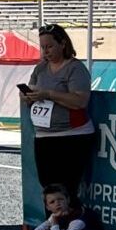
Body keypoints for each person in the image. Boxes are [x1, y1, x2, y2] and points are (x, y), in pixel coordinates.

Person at [20, 23, 95, 195]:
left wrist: (48, 94)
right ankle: (53, 221)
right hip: (44, 136)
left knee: (66, 189)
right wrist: (27, 96)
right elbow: (29, 91)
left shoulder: (75, 68)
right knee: (48, 187)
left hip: (72, 135)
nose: (45, 51)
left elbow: (80, 101)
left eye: (50, 46)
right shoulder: (40, 68)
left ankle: (69, 222)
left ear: (63, 44)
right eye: (43, 47)